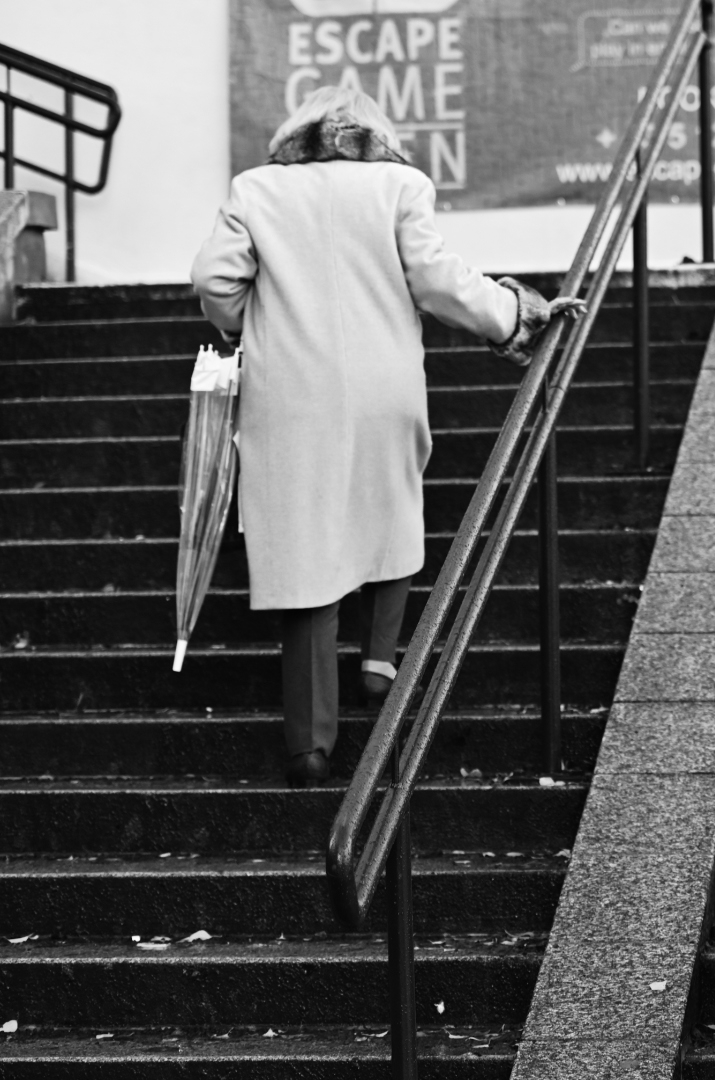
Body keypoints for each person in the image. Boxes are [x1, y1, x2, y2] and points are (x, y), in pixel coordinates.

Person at [191, 87, 583, 787]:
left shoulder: (257, 189)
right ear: (377, 134)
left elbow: (214, 280)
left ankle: (310, 741)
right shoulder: (399, 184)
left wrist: (237, 322)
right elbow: (438, 281)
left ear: (295, 136)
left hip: (290, 391)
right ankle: (379, 659)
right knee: (393, 500)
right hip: (384, 383)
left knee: (304, 541)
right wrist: (517, 314)